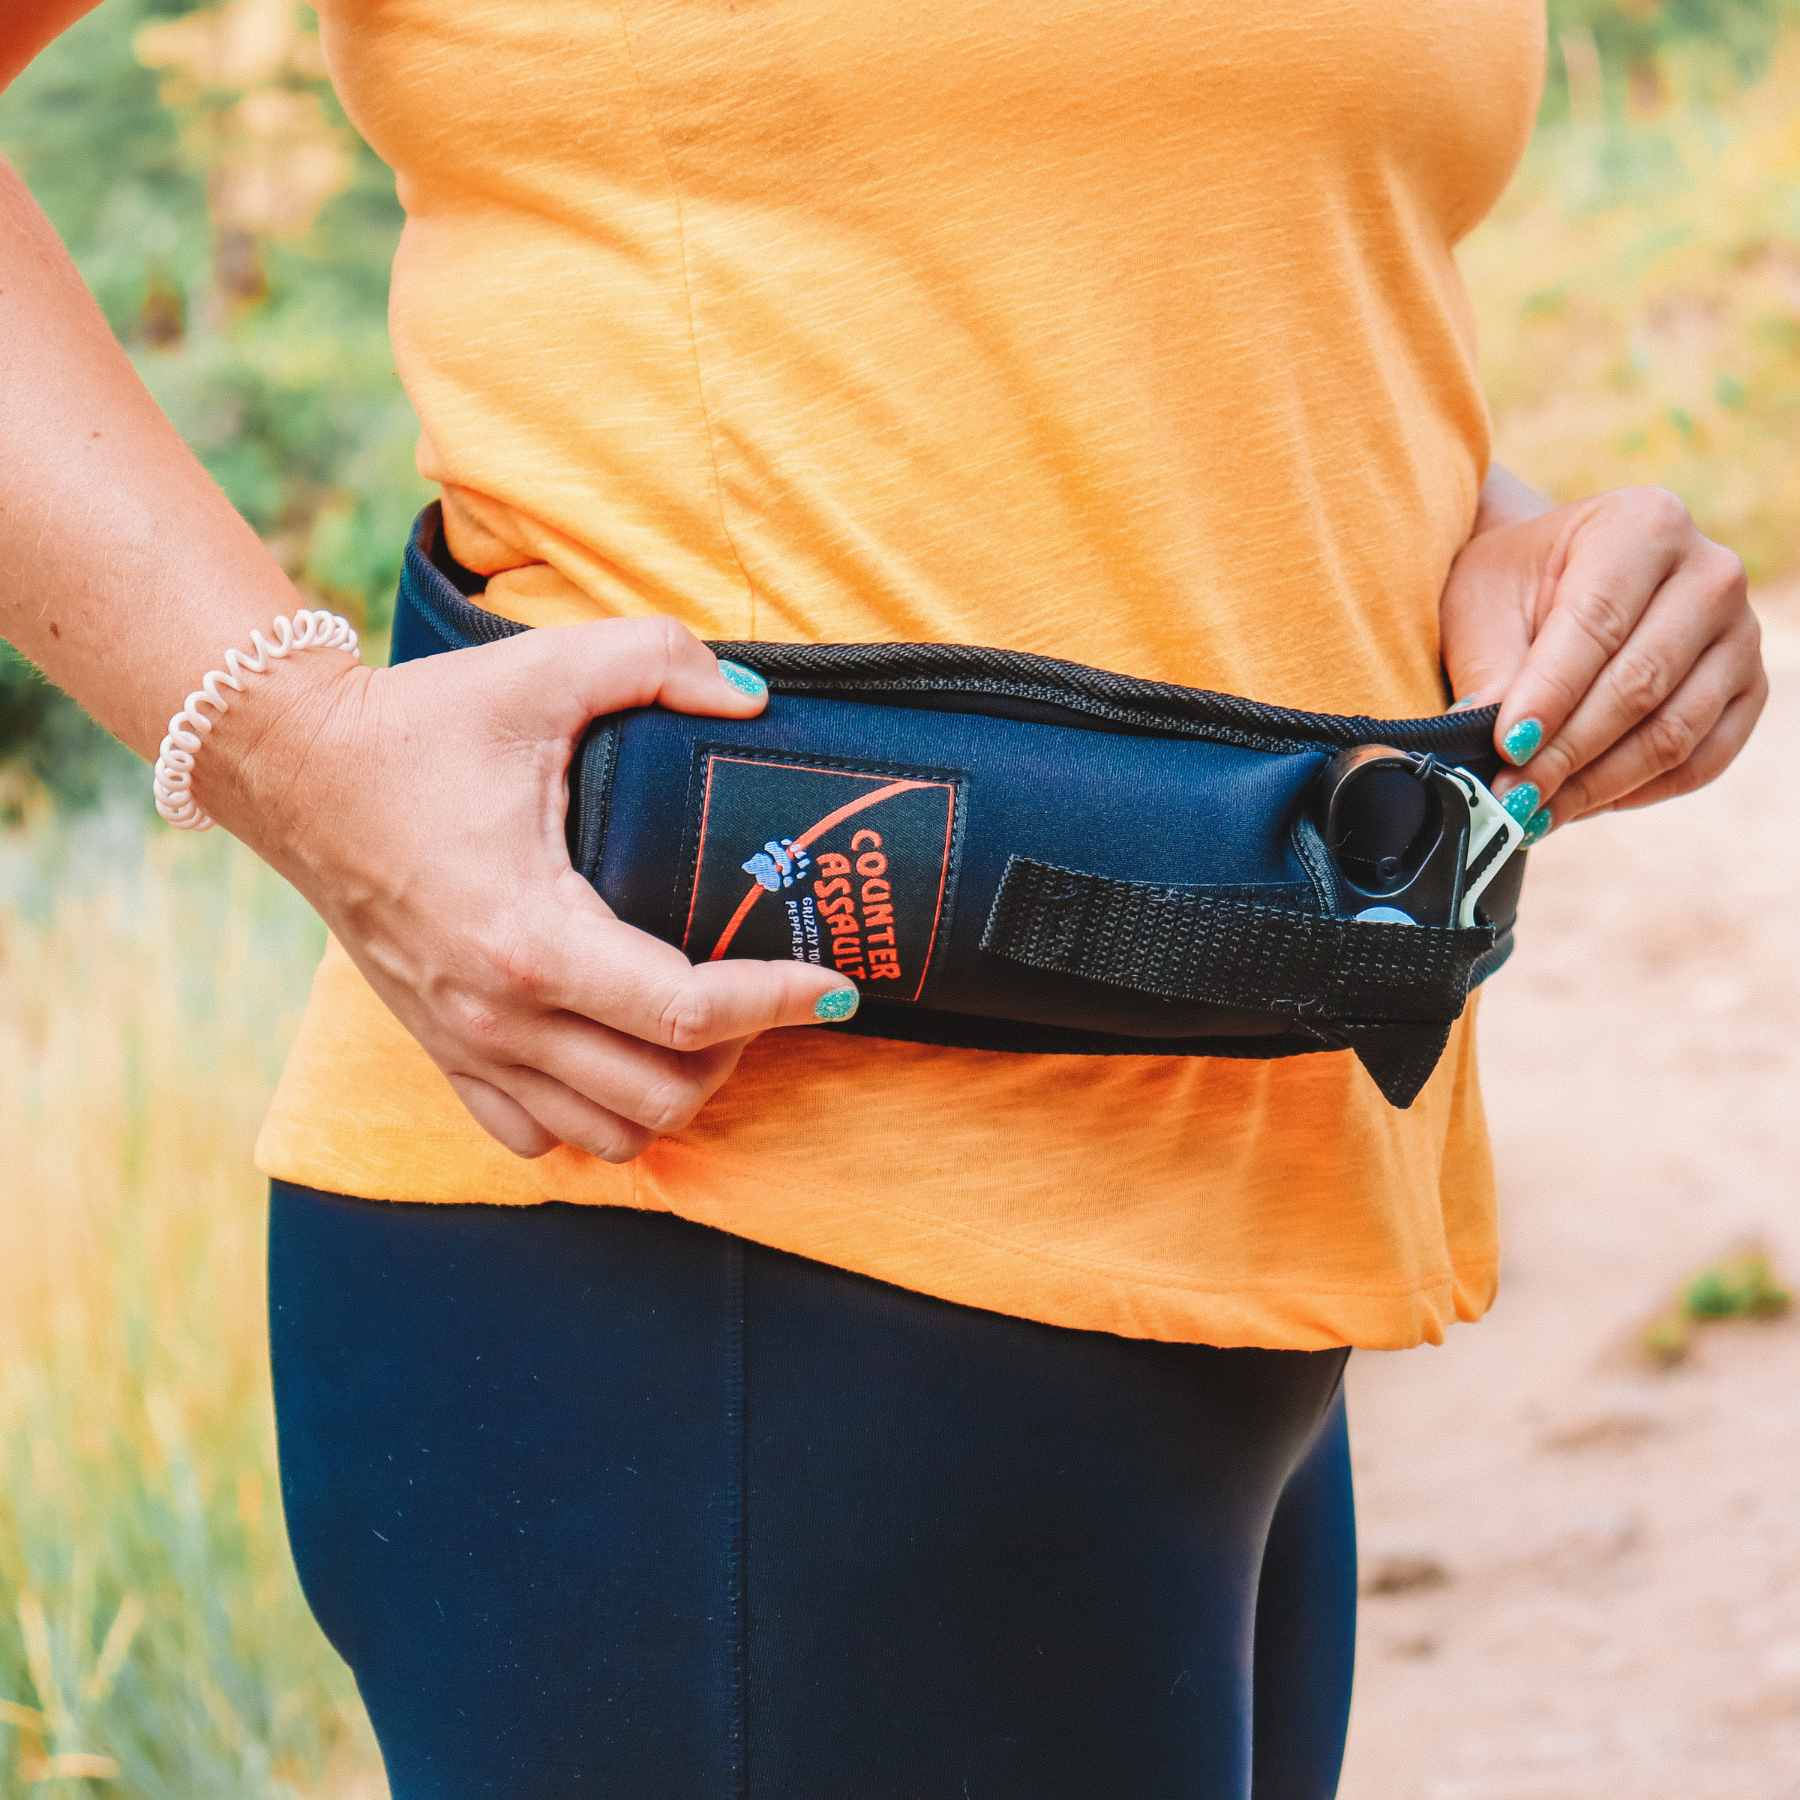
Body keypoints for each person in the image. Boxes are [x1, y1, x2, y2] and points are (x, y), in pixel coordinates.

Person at [1, 1, 1768, 1794]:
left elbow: (1170, 271)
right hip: (727, 1233)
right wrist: (292, 748)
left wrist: (1515, 547)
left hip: (1239, 1221)